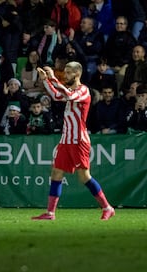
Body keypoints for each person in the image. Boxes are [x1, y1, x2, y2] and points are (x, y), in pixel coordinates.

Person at [32, 61, 115, 220]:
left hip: (79, 140)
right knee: (56, 172)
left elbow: (68, 95)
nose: (65, 75)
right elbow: (57, 96)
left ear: (77, 74)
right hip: (66, 139)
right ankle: (50, 213)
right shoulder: (71, 89)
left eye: (68, 72)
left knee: (84, 176)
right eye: (64, 72)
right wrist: (45, 80)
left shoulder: (83, 90)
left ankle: (107, 207)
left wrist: (53, 78)